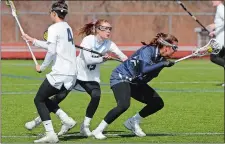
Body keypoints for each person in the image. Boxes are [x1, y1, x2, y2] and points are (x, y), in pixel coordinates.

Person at [24, 19, 128, 137]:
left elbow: (121, 55)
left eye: (110, 28)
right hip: (77, 74)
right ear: (97, 30)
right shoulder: (88, 40)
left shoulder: (109, 44)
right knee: (59, 97)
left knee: (96, 95)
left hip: (91, 78)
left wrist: (127, 60)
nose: (108, 31)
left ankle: (85, 126)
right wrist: (102, 59)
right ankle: (36, 121)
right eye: (105, 28)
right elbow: (88, 60)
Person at [91, 32, 178, 139]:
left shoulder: (161, 59)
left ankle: (133, 121)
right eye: (174, 47)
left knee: (157, 103)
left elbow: (148, 76)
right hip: (121, 77)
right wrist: (162, 64)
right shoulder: (148, 50)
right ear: (166, 47)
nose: (175, 51)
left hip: (135, 81)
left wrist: (162, 64)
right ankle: (98, 130)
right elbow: (144, 69)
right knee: (123, 105)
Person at [22, 0, 77, 143]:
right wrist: (32, 40)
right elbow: (51, 45)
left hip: (60, 73)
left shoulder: (54, 28)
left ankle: (51, 134)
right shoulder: (67, 27)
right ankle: (66, 120)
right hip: (71, 73)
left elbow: (51, 51)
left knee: (39, 99)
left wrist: (42, 67)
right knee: (45, 98)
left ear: (54, 13)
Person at [207, 1, 224, 86]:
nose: (211, 1)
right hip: (220, 38)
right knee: (222, 58)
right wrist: (215, 32)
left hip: (221, 41)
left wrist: (215, 26)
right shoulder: (219, 8)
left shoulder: (221, 8)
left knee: (214, 57)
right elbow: (222, 24)